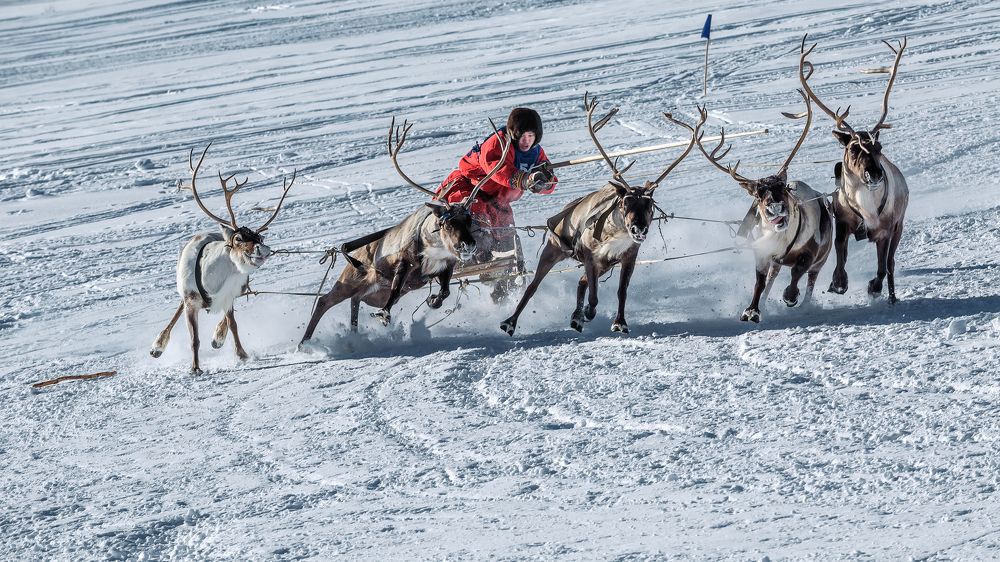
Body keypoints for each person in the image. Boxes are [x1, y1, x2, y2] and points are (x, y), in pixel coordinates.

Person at [436, 108, 558, 301]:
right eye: (522, 136)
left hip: (496, 200)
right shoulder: (498, 143)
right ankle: (469, 259)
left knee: (506, 233)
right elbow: (497, 169)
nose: (526, 141)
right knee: (477, 227)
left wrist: (543, 182)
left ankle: (502, 284)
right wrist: (524, 180)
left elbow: (551, 178)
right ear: (513, 134)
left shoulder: (536, 153)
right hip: (470, 190)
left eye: (531, 136)